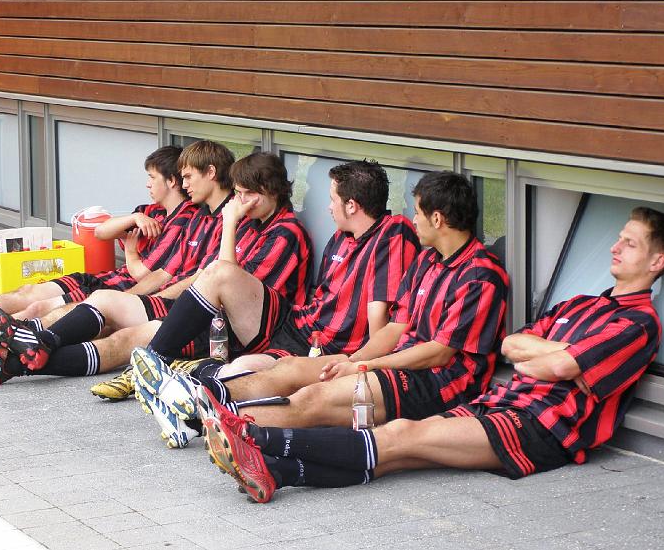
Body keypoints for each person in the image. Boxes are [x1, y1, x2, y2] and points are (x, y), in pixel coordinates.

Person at [197, 207, 664, 503]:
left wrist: (550, 357)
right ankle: (277, 472)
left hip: (540, 428)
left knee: (404, 435)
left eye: (630, 243)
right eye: (619, 236)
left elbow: (554, 365)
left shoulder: (638, 325)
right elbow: (515, 348)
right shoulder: (581, 304)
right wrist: (550, 355)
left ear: (657, 262)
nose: (616, 246)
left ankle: (258, 439)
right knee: (399, 456)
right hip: (507, 403)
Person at [141, 171, 510, 439]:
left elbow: (438, 353)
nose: (413, 219)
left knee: (310, 398)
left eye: (418, 212)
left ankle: (204, 419)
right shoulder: (428, 260)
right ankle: (190, 400)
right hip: (366, 354)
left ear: (438, 219)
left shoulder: (481, 275)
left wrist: (362, 362)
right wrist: (352, 362)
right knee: (281, 376)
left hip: (438, 384)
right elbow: (398, 327)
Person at [0, 152, 314, 399]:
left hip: (245, 330)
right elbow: (116, 239)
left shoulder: (284, 232)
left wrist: (228, 224)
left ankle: (27, 345)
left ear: (271, 190)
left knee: (119, 328)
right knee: (112, 317)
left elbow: (228, 278)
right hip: (204, 314)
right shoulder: (245, 222)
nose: (240, 202)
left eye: (247, 194)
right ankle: (19, 359)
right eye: (237, 194)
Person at [126, 159, 421, 446]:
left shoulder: (394, 232)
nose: (328, 207)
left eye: (333, 199)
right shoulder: (340, 237)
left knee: (238, 370)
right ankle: (158, 363)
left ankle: (188, 418)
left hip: (326, 348)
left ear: (352, 205)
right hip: (296, 323)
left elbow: (380, 318)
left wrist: (362, 364)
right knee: (219, 273)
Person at [0, 145, 194, 355]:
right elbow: (101, 231)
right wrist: (133, 218)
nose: (147, 183)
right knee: (28, 291)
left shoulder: (183, 221)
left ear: (171, 181)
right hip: (107, 280)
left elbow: (148, 274)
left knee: (36, 307)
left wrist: (130, 253)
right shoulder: (150, 211)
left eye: (152, 177)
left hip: (117, 288)